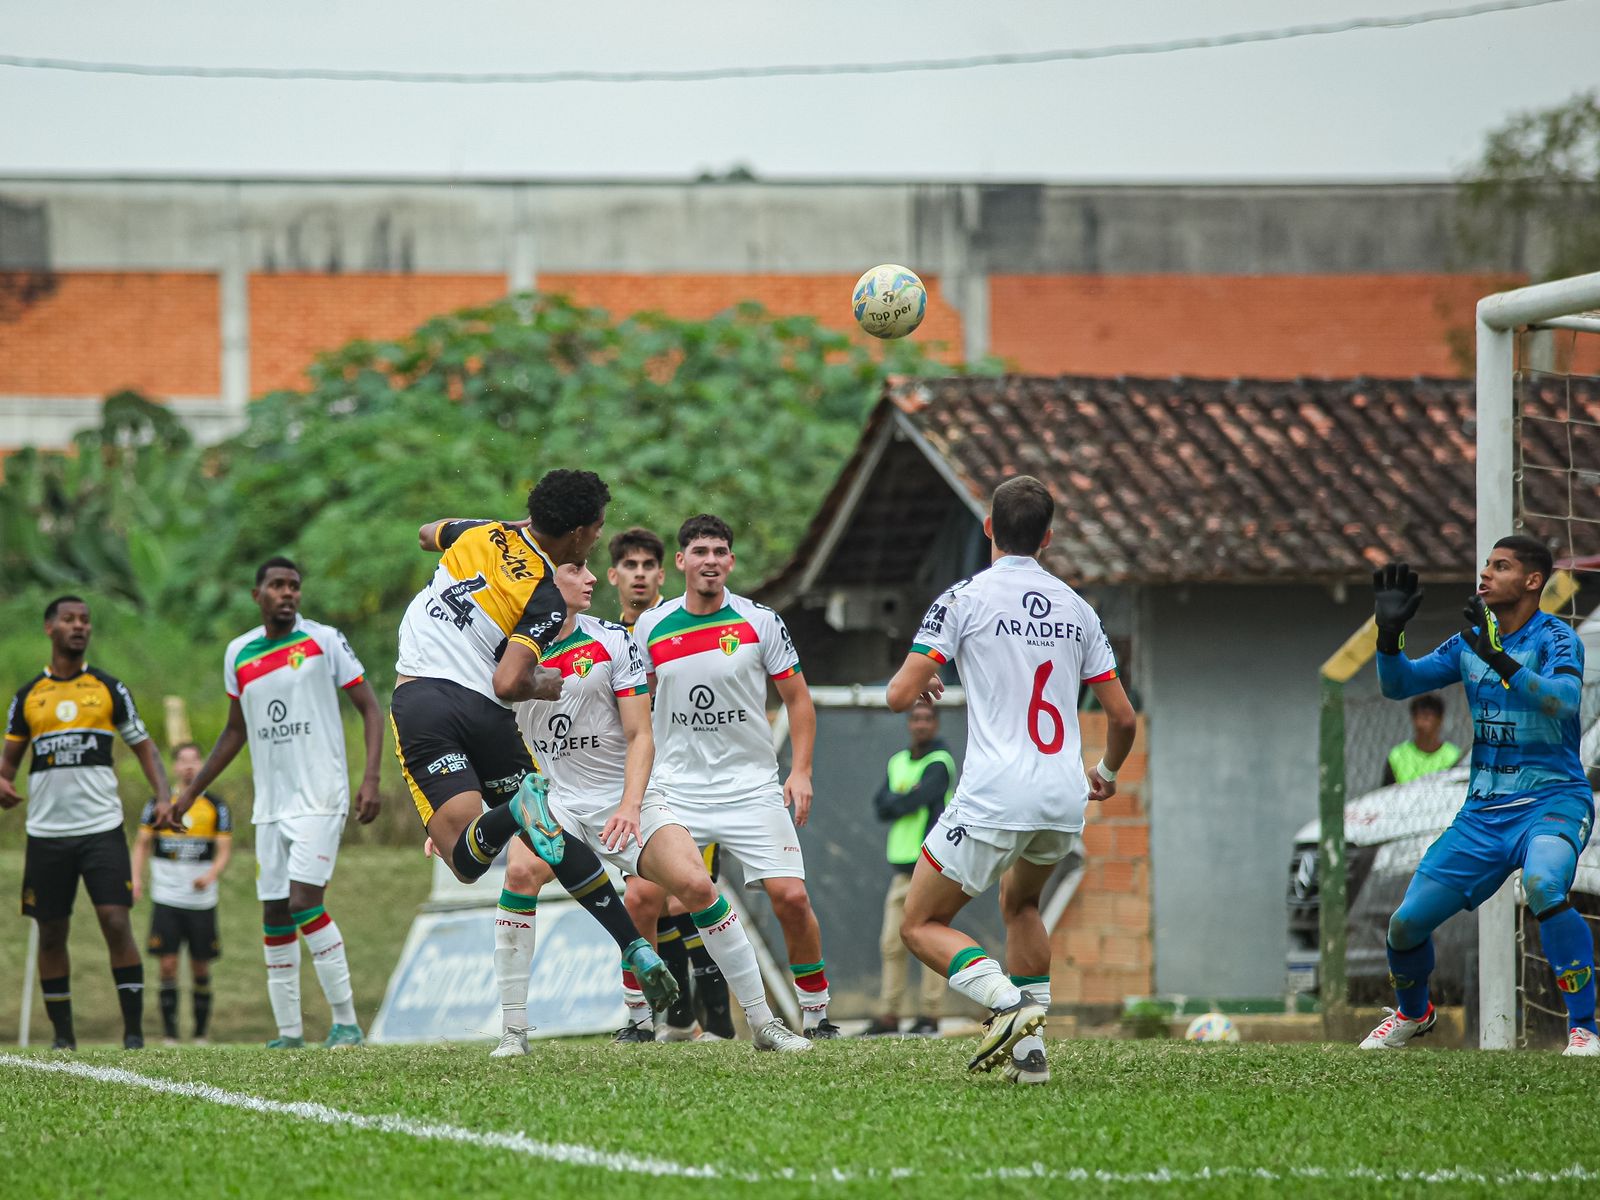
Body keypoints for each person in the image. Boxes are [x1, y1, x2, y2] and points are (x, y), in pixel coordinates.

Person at [486, 559, 811, 1057]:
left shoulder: (613, 640)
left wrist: (631, 805)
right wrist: (455, 817)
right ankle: (513, 1033)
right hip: (556, 800)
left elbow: (641, 734)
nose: (591, 578)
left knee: (697, 886)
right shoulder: (502, 652)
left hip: (624, 796)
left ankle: (764, 1024)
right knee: (520, 873)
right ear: (543, 580)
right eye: (576, 569)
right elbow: (481, 736)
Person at [389, 469, 677, 1019]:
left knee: (465, 859)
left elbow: (427, 533)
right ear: (577, 533)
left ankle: (513, 812)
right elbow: (510, 683)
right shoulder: (543, 598)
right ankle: (633, 943)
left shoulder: (481, 533)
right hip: (485, 713)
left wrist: (505, 528)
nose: (598, 538)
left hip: (423, 700)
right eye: (596, 529)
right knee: (547, 833)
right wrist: (547, 683)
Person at [887, 476, 1137, 1084]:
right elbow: (1124, 719)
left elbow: (898, 695)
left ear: (988, 528)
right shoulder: (1078, 608)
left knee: (919, 923)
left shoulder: (964, 598)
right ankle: (1031, 1058)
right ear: (1048, 537)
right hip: (1062, 794)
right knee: (1021, 903)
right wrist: (1105, 774)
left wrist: (922, 677)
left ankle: (1007, 1003)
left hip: (995, 793)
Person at [1364, 539, 1597, 1056]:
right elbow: (1398, 685)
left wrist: (1499, 658)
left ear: (1533, 581)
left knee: (1544, 884)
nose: (1485, 574)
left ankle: (1584, 1030)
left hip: (1553, 801)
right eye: (1487, 564)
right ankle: (1413, 1013)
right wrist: (1388, 634)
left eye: (1501, 566)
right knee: (1405, 925)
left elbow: (1563, 702)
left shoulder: (1557, 638)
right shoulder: (1470, 641)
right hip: (1483, 816)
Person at [158, 558, 384, 1050]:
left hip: (320, 797)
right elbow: (233, 731)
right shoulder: (239, 653)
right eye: (277, 586)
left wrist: (370, 778)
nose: (287, 593)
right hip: (271, 806)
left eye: (294, 586)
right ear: (256, 594)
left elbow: (370, 707)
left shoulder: (324, 640)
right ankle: (289, 1033)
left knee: (304, 902)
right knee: (276, 914)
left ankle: (347, 1024)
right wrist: (189, 795)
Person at [629, 514, 839, 1039]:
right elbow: (634, 710)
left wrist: (801, 771)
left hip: (751, 787)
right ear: (681, 561)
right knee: (641, 900)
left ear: (731, 561)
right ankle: (638, 1020)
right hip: (675, 789)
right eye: (700, 552)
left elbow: (798, 700)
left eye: (720, 552)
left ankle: (817, 1017)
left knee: (792, 899)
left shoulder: (760, 621)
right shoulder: (651, 626)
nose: (711, 561)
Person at [2, 595, 168, 1050]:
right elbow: (8, 763)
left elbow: (145, 747)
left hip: (101, 829)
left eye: (85, 620)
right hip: (47, 835)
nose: (79, 626)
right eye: (69, 619)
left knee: (115, 921)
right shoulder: (28, 696)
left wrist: (164, 797)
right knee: (52, 932)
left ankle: (133, 1036)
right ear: (49, 628)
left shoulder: (109, 688)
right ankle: (63, 1038)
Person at [607, 525, 733, 1042]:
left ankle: (717, 1018)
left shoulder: (679, 625)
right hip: (636, 786)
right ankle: (672, 1016)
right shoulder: (608, 639)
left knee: (684, 898)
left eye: (647, 566)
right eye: (629, 566)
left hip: (690, 782)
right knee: (644, 901)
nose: (639, 575)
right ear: (613, 576)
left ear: (664, 574)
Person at [859, 700, 954, 1038]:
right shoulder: (898, 761)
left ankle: (930, 1015)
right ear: (909, 723)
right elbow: (881, 806)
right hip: (902, 869)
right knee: (891, 943)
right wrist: (905, 798)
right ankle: (890, 1014)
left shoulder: (940, 762)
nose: (921, 724)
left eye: (927, 718)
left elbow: (916, 799)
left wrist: (901, 799)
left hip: (929, 867)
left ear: (936, 723)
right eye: (915, 718)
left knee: (929, 942)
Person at [133, 742, 232, 1044]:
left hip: (201, 902)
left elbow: (224, 851)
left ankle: (201, 1034)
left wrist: (210, 874)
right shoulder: (159, 805)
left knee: (201, 966)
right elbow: (142, 844)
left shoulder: (216, 806)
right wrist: (135, 878)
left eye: (194, 760)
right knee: (167, 965)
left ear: (202, 765)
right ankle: (170, 1035)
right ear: (174, 767)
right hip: (166, 898)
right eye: (183, 761)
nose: (189, 766)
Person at [1380, 694, 1462, 786]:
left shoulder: (1454, 756)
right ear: (1413, 718)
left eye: (1430, 714)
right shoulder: (1398, 756)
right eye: (1421, 714)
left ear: (1440, 719)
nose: (1425, 719)